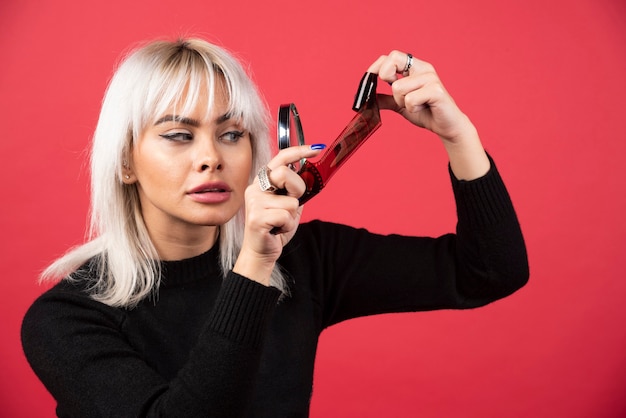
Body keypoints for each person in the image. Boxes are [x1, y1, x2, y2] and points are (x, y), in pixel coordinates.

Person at [21, 37, 529, 417]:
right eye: (178, 135)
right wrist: (255, 265)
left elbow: (489, 271)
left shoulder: (305, 259)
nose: (210, 158)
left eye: (231, 133)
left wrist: (457, 132)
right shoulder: (66, 318)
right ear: (125, 161)